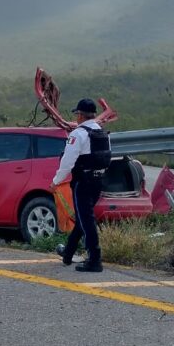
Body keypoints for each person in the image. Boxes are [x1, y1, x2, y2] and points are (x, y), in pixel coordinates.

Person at [51, 98, 111, 272]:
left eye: (77, 114)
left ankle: (95, 260)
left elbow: (67, 162)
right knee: (83, 218)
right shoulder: (101, 132)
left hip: (82, 182)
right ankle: (68, 253)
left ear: (80, 115)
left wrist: (55, 182)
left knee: (86, 220)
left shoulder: (78, 134)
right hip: (98, 181)